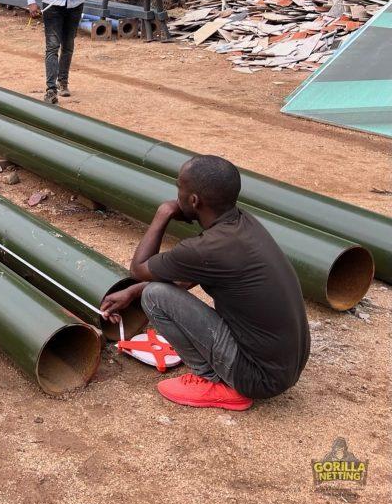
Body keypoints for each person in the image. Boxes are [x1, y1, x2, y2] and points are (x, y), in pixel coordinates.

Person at [100, 155, 310, 411]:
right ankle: (224, 373)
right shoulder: (242, 224)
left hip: (258, 378)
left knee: (154, 295)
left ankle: (213, 380)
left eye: (179, 189)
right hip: (288, 364)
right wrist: (131, 292)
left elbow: (139, 268)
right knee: (151, 291)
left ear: (194, 200)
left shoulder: (207, 248)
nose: (176, 196)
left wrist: (163, 213)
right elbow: (187, 278)